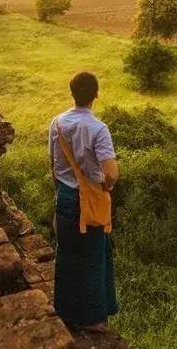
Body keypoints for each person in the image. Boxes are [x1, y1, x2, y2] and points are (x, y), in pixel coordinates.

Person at [49, 71, 119, 332]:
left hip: (65, 194)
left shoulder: (56, 123)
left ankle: (66, 312)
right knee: (93, 256)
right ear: (96, 95)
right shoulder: (98, 129)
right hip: (89, 199)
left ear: (72, 93)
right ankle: (92, 320)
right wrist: (105, 186)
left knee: (66, 253)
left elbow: (53, 165)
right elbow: (111, 172)